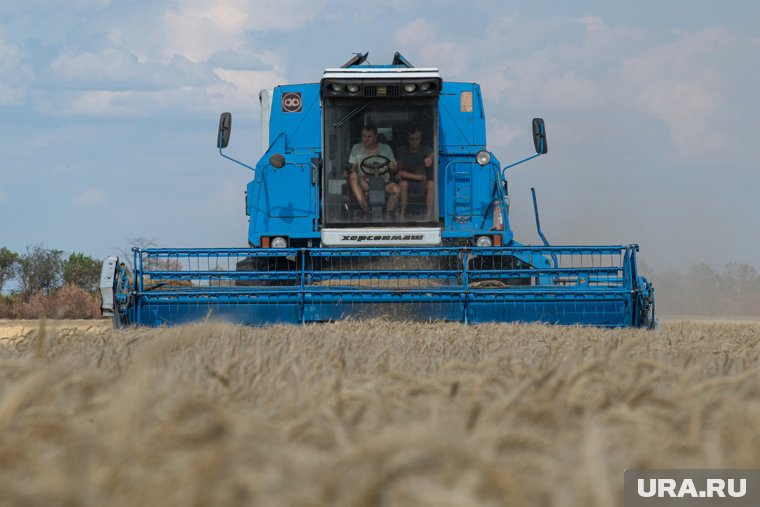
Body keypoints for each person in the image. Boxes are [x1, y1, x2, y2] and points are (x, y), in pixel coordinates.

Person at [346, 124, 400, 216]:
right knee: (353, 175)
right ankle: (366, 209)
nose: (366, 139)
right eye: (364, 136)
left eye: (369, 136)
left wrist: (393, 167)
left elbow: (395, 168)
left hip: (383, 182)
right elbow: (352, 167)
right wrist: (350, 170)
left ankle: (387, 215)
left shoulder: (386, 148)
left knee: (396, 189)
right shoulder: (356, 148)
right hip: (365, 182)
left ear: (376, 137)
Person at [395, 126, 434, 220]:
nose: (414, 141)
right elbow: (400, 173)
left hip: (422, 184)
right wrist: (419, 177)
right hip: (408, 183)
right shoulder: (402, 151)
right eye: (411, 139)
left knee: (431, 184)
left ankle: (429, 216)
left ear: (421, 139)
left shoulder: (425, 149)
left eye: (417, 139)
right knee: (403, 184)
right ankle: (402, 215)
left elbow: (433, 153)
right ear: (407, 139)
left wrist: (430, 158)